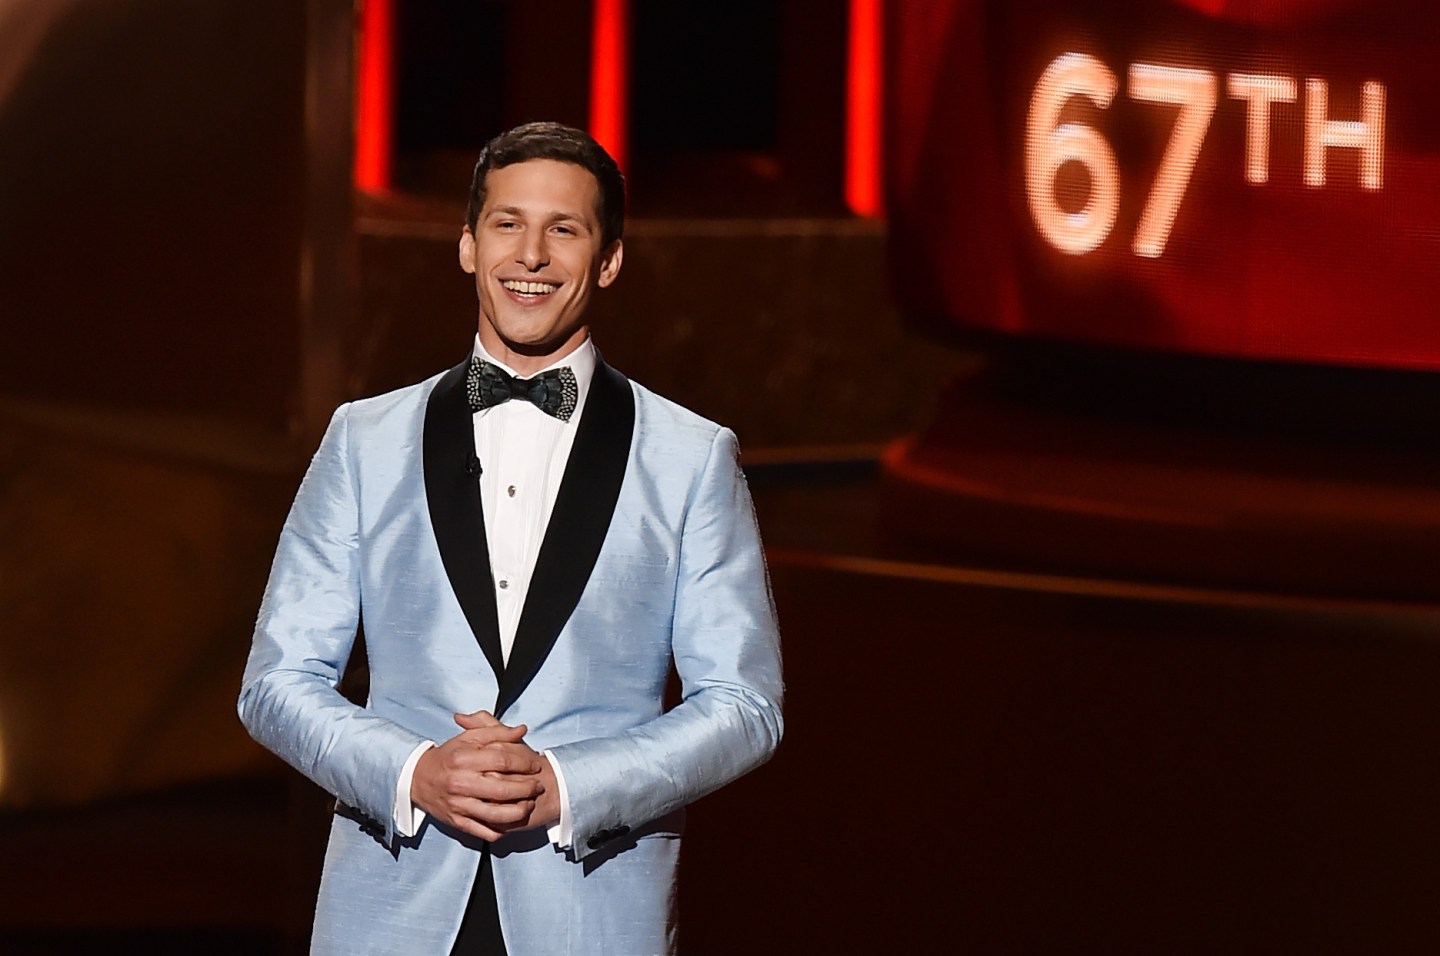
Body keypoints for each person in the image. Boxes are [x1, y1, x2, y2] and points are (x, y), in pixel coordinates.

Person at [239, 121, 784, 955]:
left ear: (608, 260)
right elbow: (276, 683)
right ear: (467, 245)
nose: (531, 254)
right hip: (392, 908)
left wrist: (568, 785)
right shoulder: (364, 439)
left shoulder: (691, 457)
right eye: (507, 223)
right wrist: (415, 771)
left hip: (591, 908)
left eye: (563, 229)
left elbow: (745, 707)